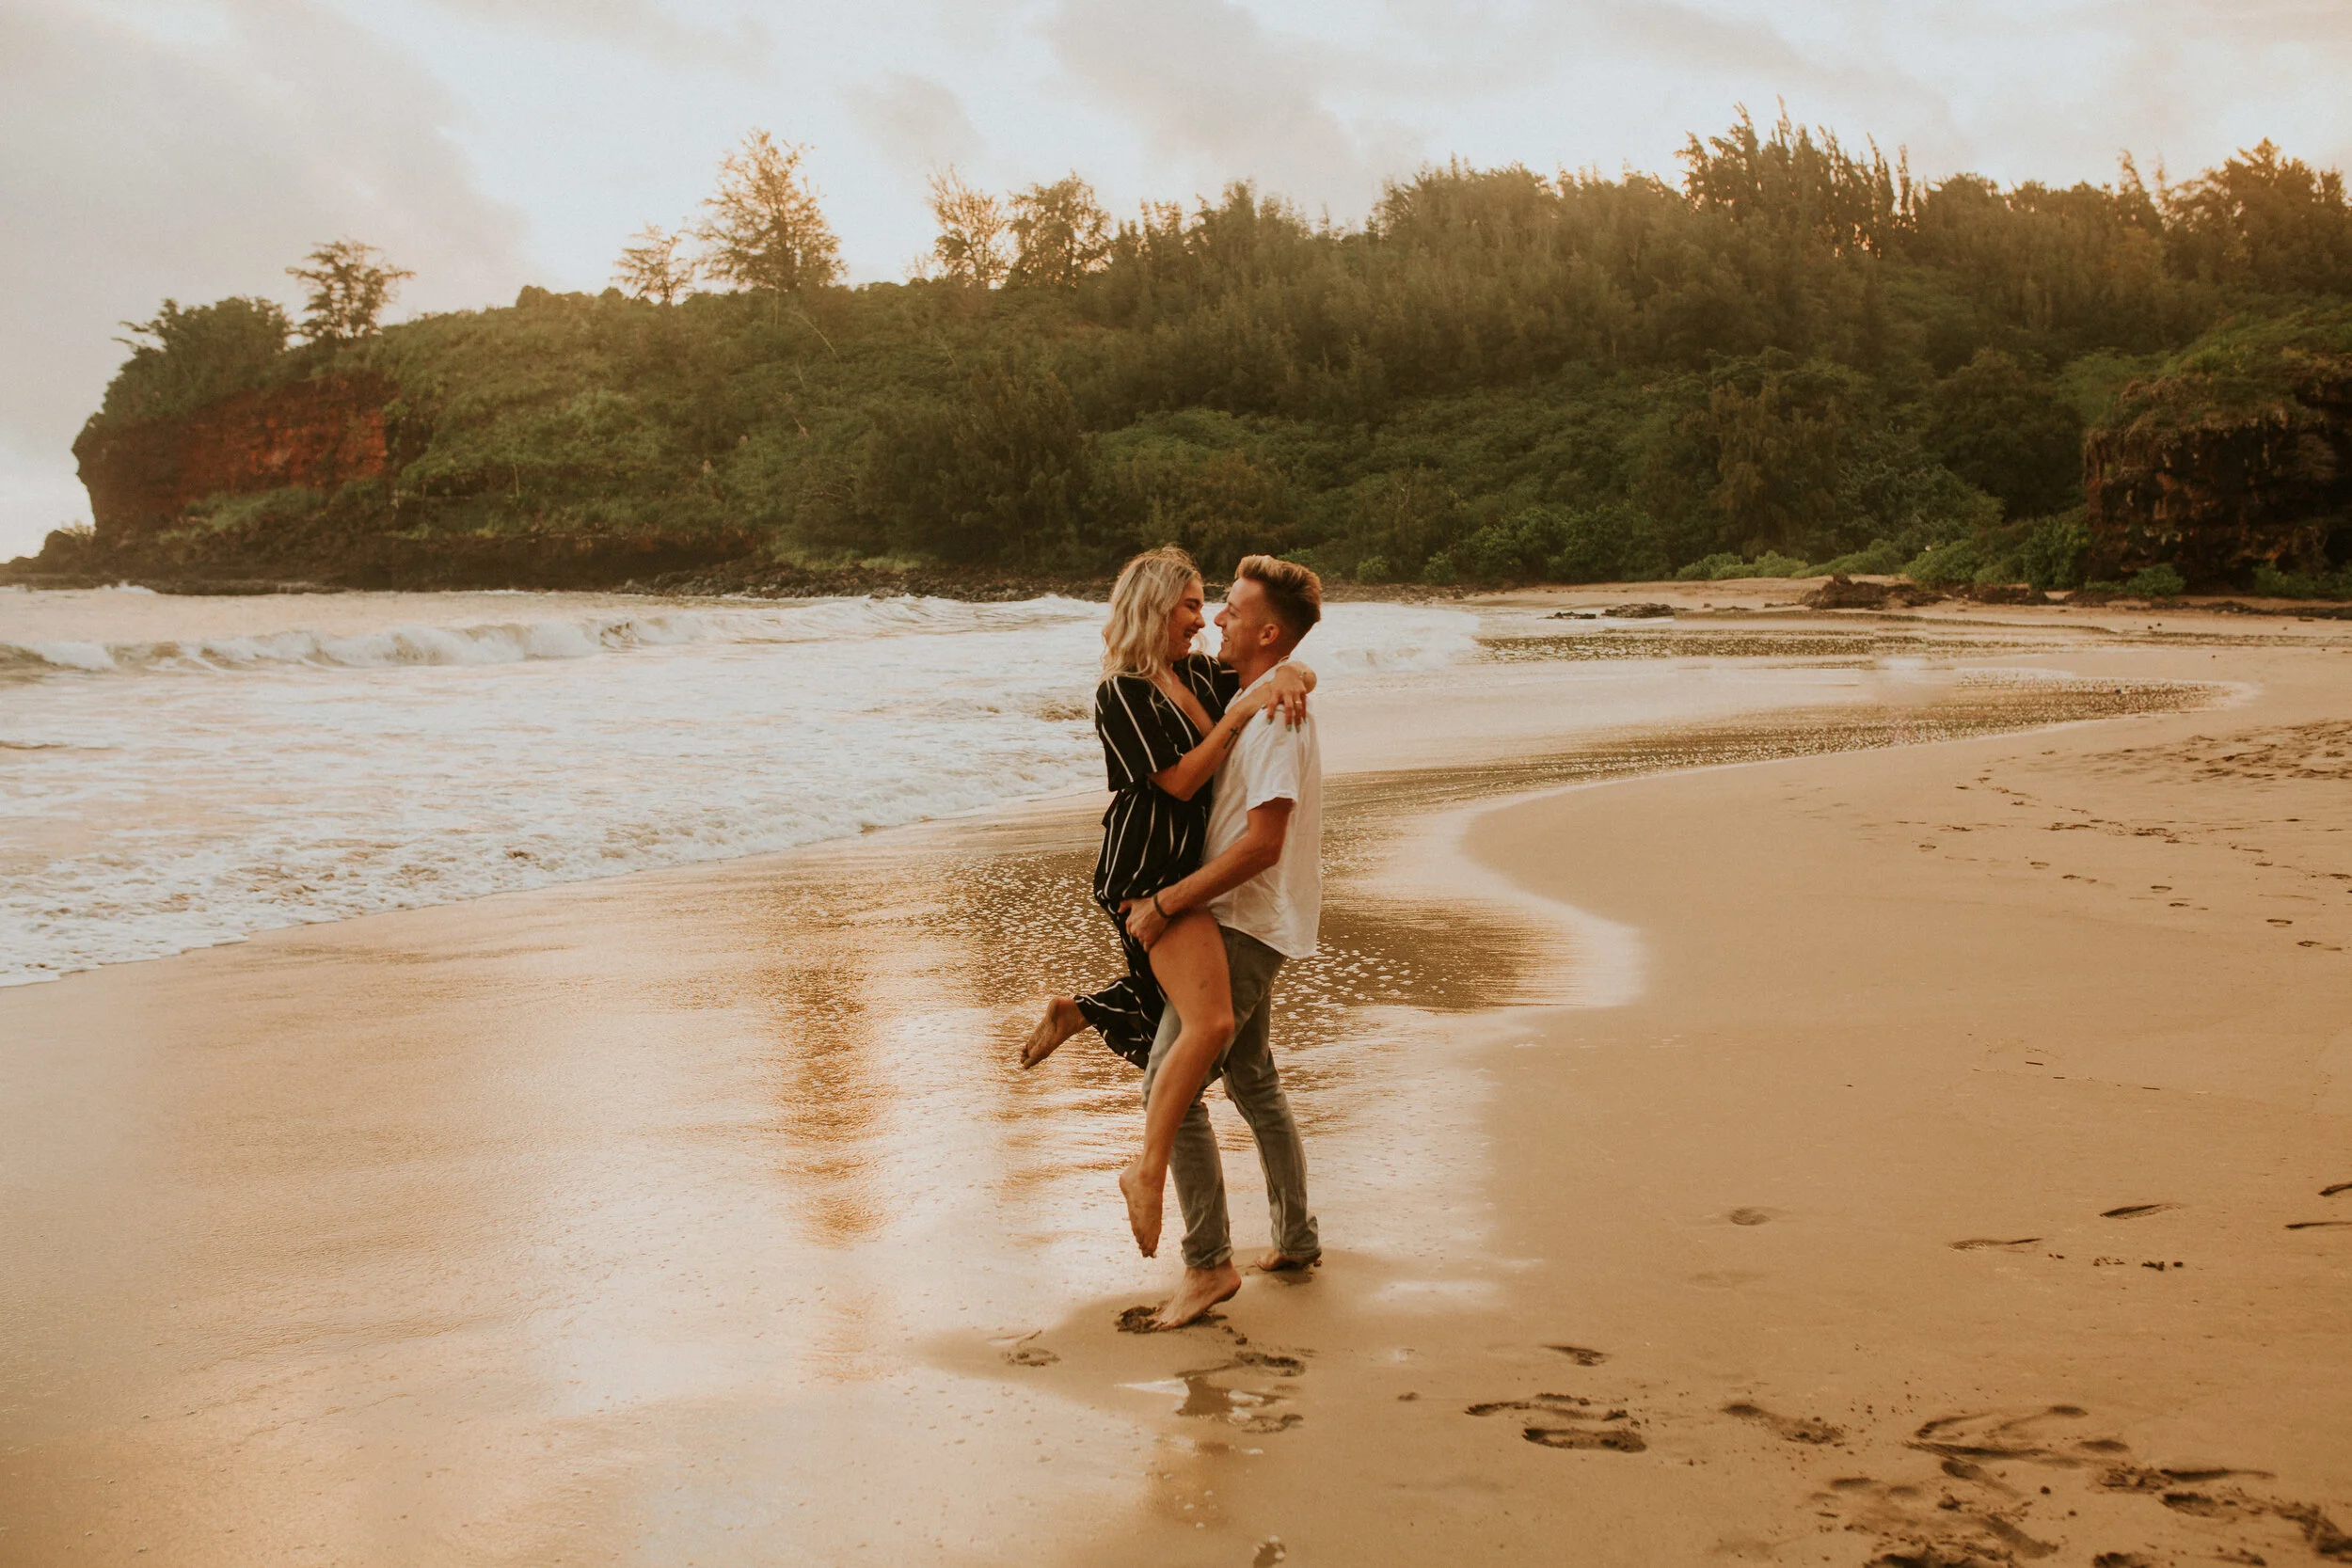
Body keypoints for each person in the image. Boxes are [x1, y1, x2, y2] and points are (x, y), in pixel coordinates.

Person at [1117, 554, 1326, 1329]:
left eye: (1232, 609)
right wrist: (1296, 671)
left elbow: (1261, 843)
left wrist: (1168, 900)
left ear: (1267, 630)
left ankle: (1207, 1263)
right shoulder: (1253, 696)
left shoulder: (1273, 717)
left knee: (1168, 1085)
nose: (1219, 621)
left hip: (1241, 921)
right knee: (1253, 1076)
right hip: (1261, 920)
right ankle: (1297, 1236)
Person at [1021, 547, 1312, 1077]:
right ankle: (1148, 1137)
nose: (1204, 620)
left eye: (1204, 606)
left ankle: (1080, 1012)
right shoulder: (1121, 692)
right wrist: (1242, 713)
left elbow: (1267, 669)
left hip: (1190, 863)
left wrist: (1294, 673)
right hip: (1142, 865)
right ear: (1155, 608)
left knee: (1173, 1008)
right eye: (1191, 606)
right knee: (1183, 1017)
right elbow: (1179, 782)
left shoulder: (1199, 674)